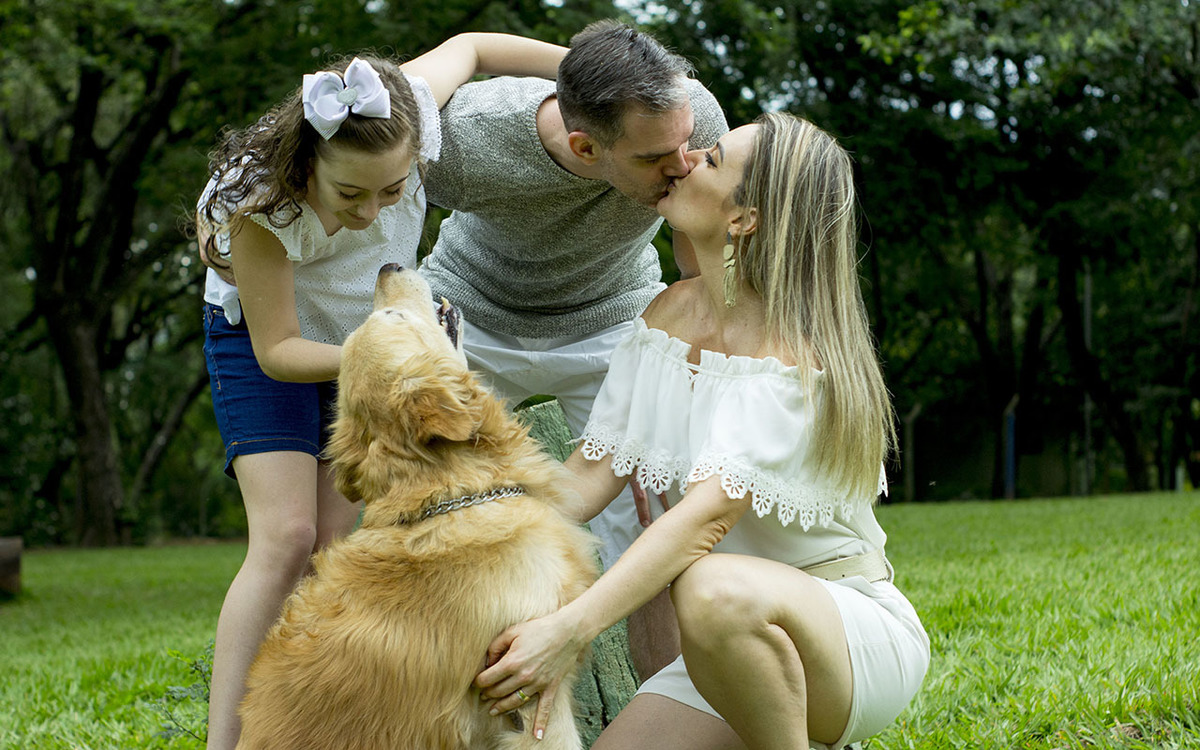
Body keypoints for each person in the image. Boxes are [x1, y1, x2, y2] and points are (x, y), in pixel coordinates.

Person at [474, 113, 931, 750]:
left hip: (843, 633)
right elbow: (588, 474)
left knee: (710, 587)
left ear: (744, 218)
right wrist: (474, 525)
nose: (685, 161)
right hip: (724, 645)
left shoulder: (789, 355)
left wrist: (569, 629)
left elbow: (704, 520)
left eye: (711, 159)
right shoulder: (667, 315)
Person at [194, 34, 568, 750]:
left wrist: (576, 72)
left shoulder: (405, 113)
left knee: (336, 542)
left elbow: (473, 46)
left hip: (368, 335)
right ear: (309, 164)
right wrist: (390, 354)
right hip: (270, 344)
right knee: (287, 537)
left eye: (393, 192)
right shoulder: (261, 205)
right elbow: (279, 351)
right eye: (350, 195)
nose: (371, 213)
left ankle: (319, 721)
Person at [418, 18, 729, 680]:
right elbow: (353, 196)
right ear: (587, 148)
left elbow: (697, 267)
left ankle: (664, 710)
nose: (682, 166)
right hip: (472, 313)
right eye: (654, 158)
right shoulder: (468, 137)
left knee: (653, 519)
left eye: (685, 148)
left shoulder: (690, 117)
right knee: (430, 512)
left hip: (613, 313)